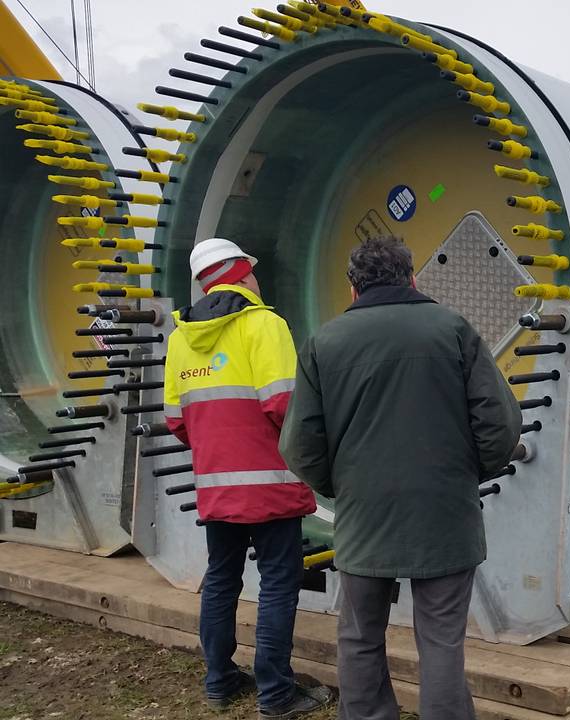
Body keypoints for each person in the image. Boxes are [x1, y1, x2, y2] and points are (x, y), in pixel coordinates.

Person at [280, 235, 521, 720]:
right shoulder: (453, 329)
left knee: (360, 637)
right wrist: (467, 475)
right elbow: (500, 424)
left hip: (365, 515)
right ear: (412, 278)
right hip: (445, 513)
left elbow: (298, 445)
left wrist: (341, 486)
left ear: (353, 288)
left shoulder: (323, 343)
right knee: (440, 642)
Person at [164, 238, 331, 719]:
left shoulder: (180, 339)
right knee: (279, 583)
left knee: (221, 580)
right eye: (252, 271)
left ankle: (219, 681)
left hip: (216, 485)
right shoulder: (264, 325)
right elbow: (285, 407)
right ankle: (276, 693)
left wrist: (219, 449)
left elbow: (177, 421)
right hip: (271, 484)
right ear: (241, 274)